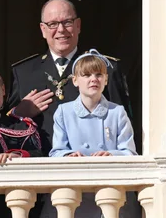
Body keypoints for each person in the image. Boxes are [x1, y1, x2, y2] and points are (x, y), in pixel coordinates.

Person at [7, 0, 132, 157]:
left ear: (78, 25)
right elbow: (1, 127)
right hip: (37, 166)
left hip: (90, 166)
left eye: (67, 22)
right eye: (52, 24)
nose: (61, 30)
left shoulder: (105, 68)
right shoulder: (23, 72)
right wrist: (18, 112)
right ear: (43, 29)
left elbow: (124, 124)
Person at [40, 49, 139, 218]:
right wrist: (68, 155)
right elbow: (56, 151)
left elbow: (130, 152)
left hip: (110, 194)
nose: (94, 79)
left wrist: (110, 154)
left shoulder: (117, 112)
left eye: (99, 75)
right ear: (75, 80)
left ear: (106, 79)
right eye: (86, 75)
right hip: (76, 196)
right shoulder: (64, 112)